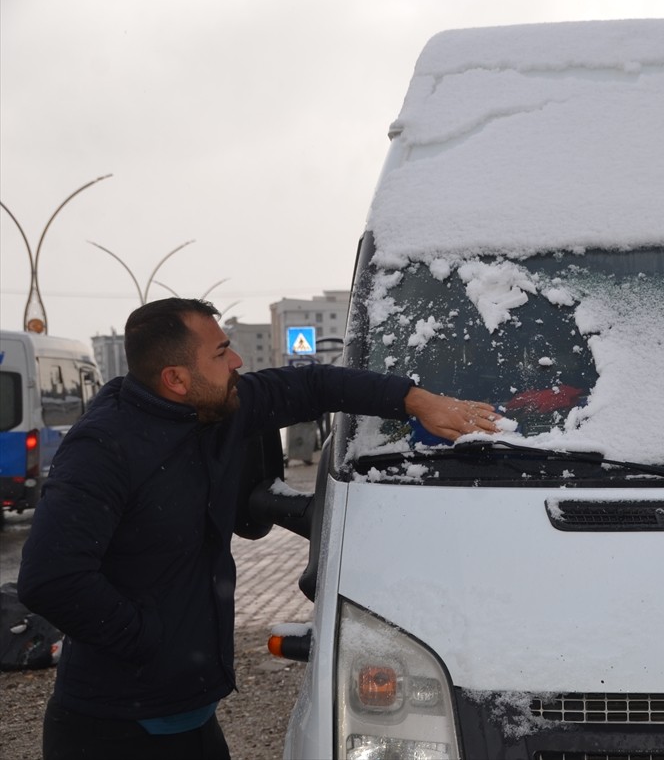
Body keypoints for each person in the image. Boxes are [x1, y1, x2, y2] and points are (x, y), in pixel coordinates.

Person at [17, 297, 500, 760]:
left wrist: (416, 401)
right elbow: (51, 579)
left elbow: (313, 385)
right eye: (222, 353)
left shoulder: (219, 408)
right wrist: (151, 643)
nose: (238, 362)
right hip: (112, 732)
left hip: (192, 718)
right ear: (176, 378)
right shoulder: (103, 450)